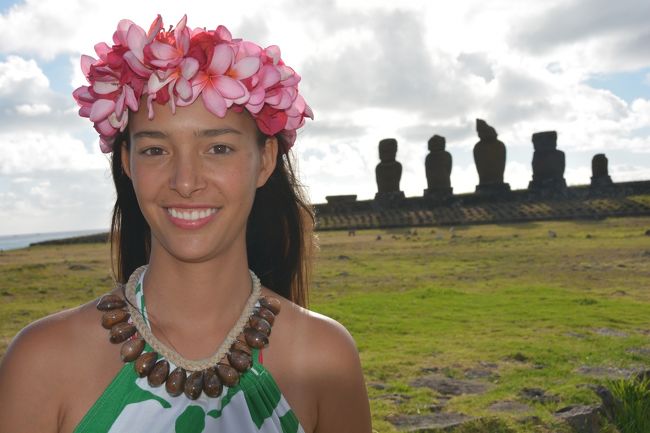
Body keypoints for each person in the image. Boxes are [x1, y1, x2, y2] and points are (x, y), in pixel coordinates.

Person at [0, 15, 372, 433]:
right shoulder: (42, 362)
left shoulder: (326, 358)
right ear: (127, 163)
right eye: (156, 150)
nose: (186, 182)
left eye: (218, 147)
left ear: (265, 160)